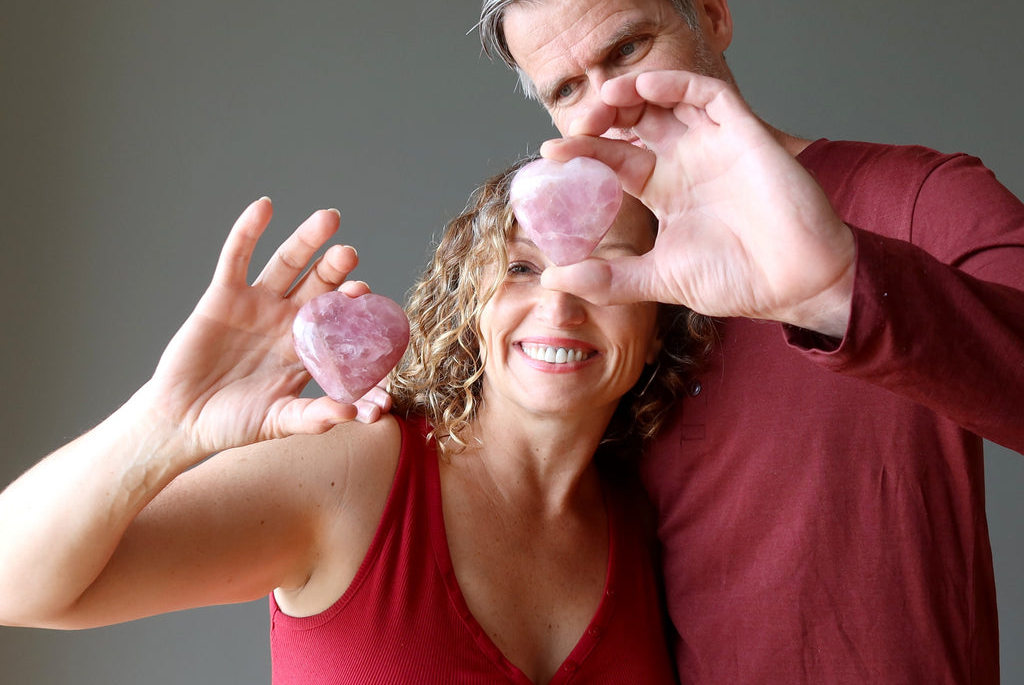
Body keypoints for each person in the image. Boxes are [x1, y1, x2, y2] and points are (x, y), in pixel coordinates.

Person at [479, 0, 1024, 683]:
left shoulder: (920, 198)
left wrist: (841, 289)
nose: (608, 108)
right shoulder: (591, 299)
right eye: (567, 89)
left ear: (711, 13)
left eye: (627, 50)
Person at [0, 160, 712, 684]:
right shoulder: (354, 474)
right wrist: (166, 419)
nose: (560, 305)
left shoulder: (657, 525)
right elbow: (13, 586)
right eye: (522, 267)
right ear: (474, 301)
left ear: (658, 326)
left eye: (607, 270)